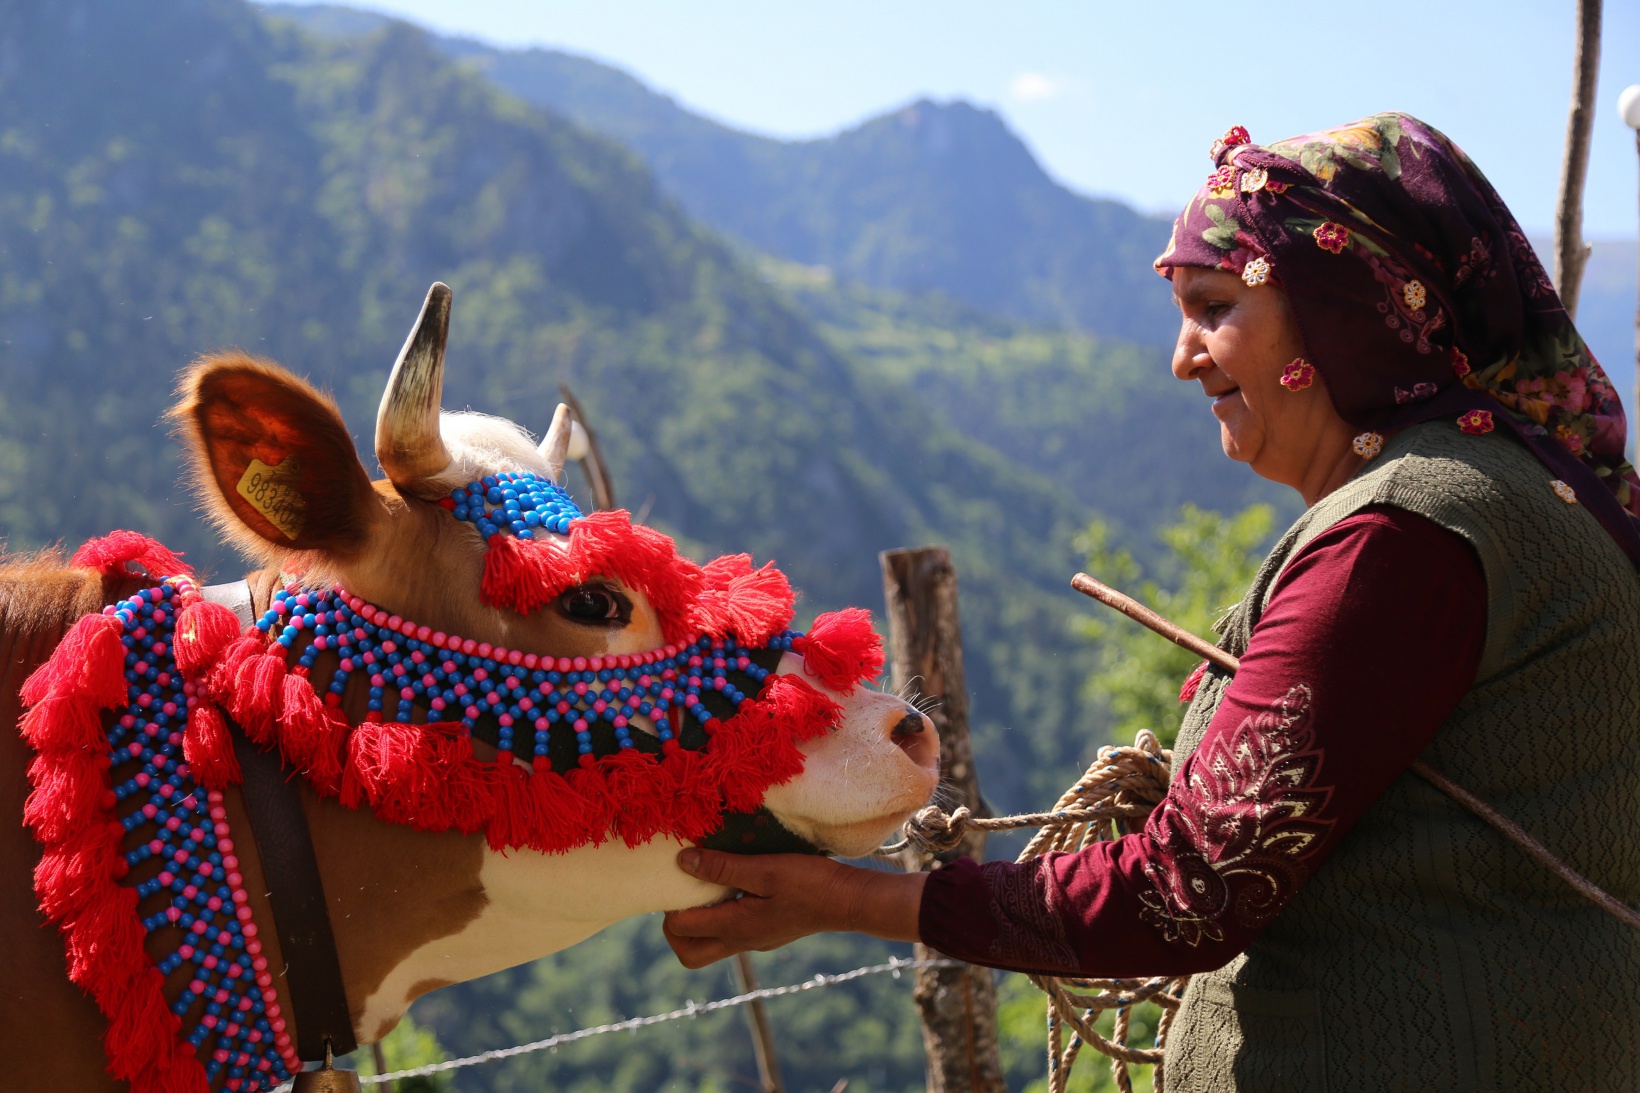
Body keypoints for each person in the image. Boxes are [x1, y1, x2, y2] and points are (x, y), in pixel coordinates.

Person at [662, 113, 1640, 1089]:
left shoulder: (1399, 543)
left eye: (1214, 307)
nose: (1183, 358)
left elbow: (1186, 889)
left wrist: (839, 896)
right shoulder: (1506, 496)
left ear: (1341, 305)